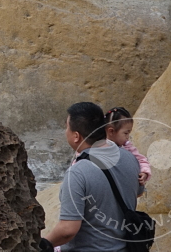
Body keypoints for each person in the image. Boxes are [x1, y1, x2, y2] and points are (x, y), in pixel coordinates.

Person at [45, 102, 145, 251]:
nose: (65, 132)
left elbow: (68, 230)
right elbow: (138, 192)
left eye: (67, 127)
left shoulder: (77, 172)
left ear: (76, 136)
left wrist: (43, 244)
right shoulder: (130, 158)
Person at [104, 106, 151, 186]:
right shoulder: (97, 147)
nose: (127, 137)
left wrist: (144, 172)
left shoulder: (127, 148)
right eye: (126, 133)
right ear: (111, 131)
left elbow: (142, 160)